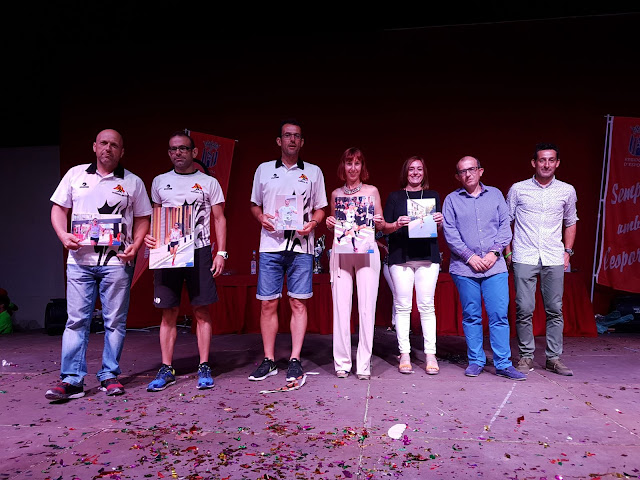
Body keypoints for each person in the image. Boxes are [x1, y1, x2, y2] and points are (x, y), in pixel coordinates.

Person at [46, 129, 151, 400]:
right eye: (103, 143)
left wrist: (137, 244)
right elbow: (58, 208)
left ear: (122, 151)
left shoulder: (133, 182)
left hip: (117, 262)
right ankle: (72, 380)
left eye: (114, 145)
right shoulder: (75, 174)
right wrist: (62, 235)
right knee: (76, 321)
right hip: (79, 261)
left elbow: (143, 218)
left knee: (114, 321)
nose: (108, 148)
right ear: (94, 146)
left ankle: (109, 375)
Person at [145, 131, 227, 391]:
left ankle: (204, 365)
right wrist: (150, 236)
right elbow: (155, 217)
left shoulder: (209, 182)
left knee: (201, 310)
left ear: (194, 152)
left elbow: (219, 218)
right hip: (168, 251)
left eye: (182, 148)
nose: (177, 153)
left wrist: (222, 252)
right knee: (168, 311)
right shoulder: (159, 181)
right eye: (173, 149)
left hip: (199, 251)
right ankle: (166, 367)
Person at [249, 119, 327, 382]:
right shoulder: (263, 170)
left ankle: (295, 359)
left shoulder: (314, 172)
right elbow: (254, 205)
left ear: (302, 142)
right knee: (268, 303)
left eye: (296, 136)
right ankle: (269, 360)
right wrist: (260, 217)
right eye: (287, 135)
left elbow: (320, 208)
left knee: (298, 302)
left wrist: (313, 223)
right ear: (279, 141)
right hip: (270, 246)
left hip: (301, 247)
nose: (292, 139)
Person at [442, 156, 526, 381]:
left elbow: (505, 226)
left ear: (480, 171)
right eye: (462, 171)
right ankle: (476, 361)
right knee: (471, 315)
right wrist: (470, 257)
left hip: (494, 266)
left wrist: (493, 253)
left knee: (499, 315)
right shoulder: (451, 200)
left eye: (471, 169)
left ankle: (503, 363)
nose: (467, 174)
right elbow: (450, 233)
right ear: (457, 177)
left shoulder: (496, 195)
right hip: (464, 268)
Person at [506, 143, 578, 376]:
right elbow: (506, 222)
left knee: (555, 309)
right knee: (524, 308)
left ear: (557, 163)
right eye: (542, 160)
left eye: (551, 160)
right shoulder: (518, 189)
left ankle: (553, 358)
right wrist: (508, 252)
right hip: (524, 255)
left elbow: (571, 221)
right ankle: (526, 356)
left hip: (553, 256)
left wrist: (567, 252)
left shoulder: (567, 190)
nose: (546, 164)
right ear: (534, 163)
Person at [326, 148, 384, 380]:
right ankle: (342, 362)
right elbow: (335, 226)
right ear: (343, 166)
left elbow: (380, 224)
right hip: (342, 253)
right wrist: (330, 223)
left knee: (367, 308)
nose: (353, 168)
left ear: (362, 167)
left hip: (367, 251)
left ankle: (363, 364)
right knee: (341, 308)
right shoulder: (336, 194)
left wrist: (379, 221)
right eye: (349, 163)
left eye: (357, 163)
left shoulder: (372, 191)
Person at [382, 156, 443, 375]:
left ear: (424, 172)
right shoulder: (395, 197)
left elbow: (436, 230)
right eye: (411, 169)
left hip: (427, 256)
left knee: (427, 306)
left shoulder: (433, 195)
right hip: (401, 256)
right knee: (402, 306)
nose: (415, 172)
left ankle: (430, 354)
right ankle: (405, 353)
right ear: (405, 172)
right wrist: (396, 224)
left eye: (419, 169)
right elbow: (384, 228)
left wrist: (439, 222)